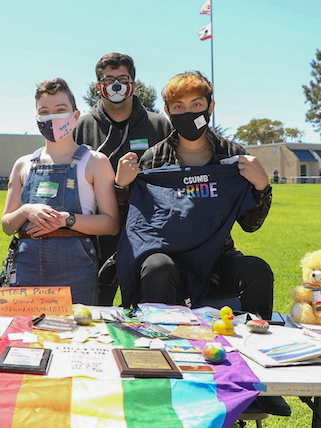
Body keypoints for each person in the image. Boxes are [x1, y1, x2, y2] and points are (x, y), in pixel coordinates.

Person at [114, 71, 273, 319]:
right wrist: (122, 187)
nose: (188, 113)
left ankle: (259, 340)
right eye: (179, 106)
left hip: (218, 260)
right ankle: (162, 343)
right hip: (168, 259)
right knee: (157, 266)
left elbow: (251, 224)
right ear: (168, 112)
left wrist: (261, 187)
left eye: (196, 104)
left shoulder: (233, 156)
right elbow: (136, 226)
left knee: (257, 270)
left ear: (210, 107)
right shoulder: (153, 159)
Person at [1, 78, 120, 306]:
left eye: (60, 110)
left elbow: (111, 223)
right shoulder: (23, 165)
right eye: (44, 112)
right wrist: (26, 210)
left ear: (76, 116)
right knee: (24, 337)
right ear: (37, 118)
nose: (52, 117)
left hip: (76, 271)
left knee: (76, 337)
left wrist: (67, 220)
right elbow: (7, 226)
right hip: (25, 268)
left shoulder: (95, 161)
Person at [73, 52, 173, 306]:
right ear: (98, 86)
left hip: (148, 234)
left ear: (134, 84)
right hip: (94, 235)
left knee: (142, 313)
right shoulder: (82, 127)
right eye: (108, 79)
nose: (116, 85)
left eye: (123, 78)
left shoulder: (160, 125)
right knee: (93, 314)